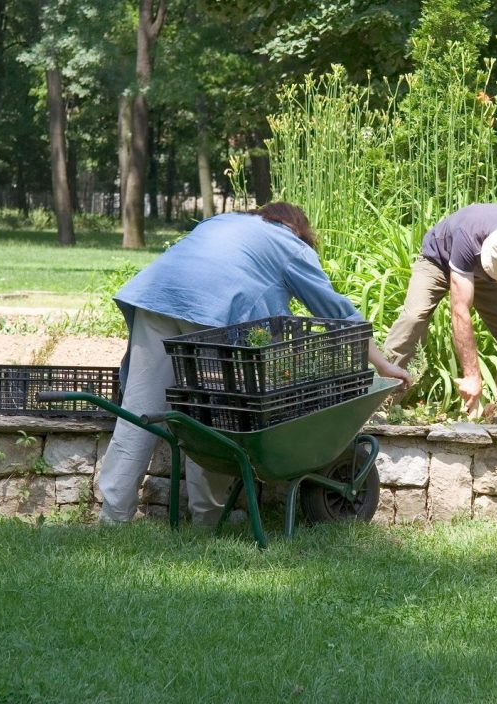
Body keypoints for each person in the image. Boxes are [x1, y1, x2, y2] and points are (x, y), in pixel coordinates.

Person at [100, 202, 410, 525]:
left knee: (138, 411)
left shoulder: (223, 222)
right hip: (210, 311)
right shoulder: (290, 245)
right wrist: (384, 366)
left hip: (156, 298)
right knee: (213, 418)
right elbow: (337, 312)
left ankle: (112, 515)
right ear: (296, 228)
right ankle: (207, 520)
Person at [383, 203, 497, 422]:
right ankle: (377, 406)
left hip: (487, 270)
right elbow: (460, 309)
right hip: (438, 260)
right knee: (413, 319)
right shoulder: (469, 238)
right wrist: (472, 376)